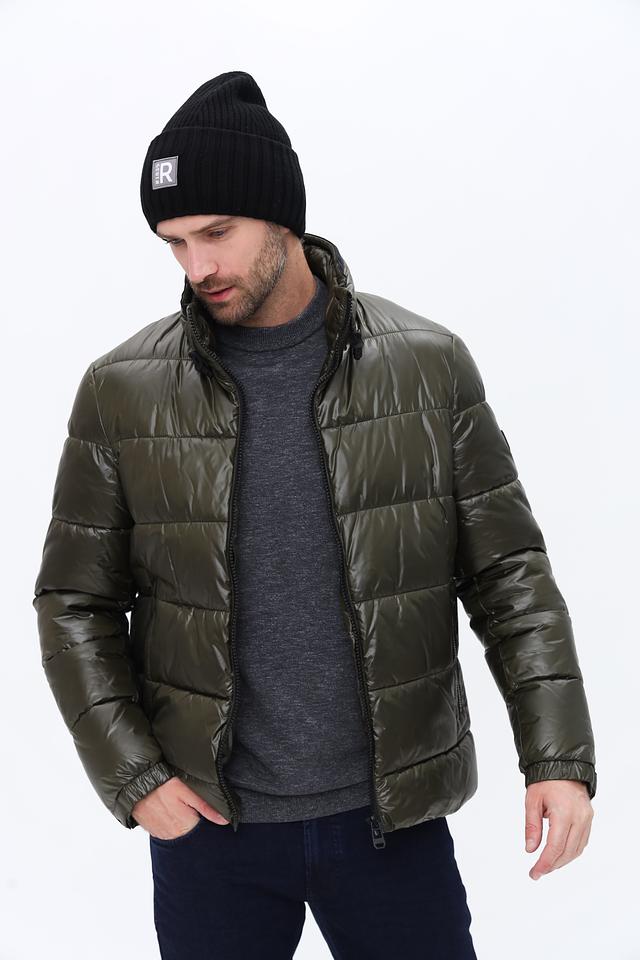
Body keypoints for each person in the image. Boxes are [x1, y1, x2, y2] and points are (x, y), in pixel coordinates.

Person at [32, 70, 596, 960]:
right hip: (210, 831)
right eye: (175, 243)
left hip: (390, 822)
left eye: (217, 232)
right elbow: (73, 603)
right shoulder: (122, 390)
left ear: (283, 217)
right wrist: (134, 776)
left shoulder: (426, 367)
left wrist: (557, 758)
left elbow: (509, 578)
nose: (198, 267)